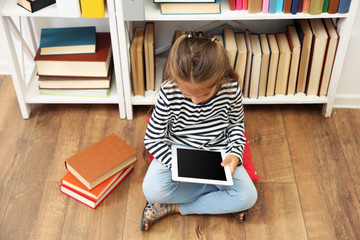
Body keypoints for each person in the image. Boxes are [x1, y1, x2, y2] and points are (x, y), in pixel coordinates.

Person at [141, 31, 258, 231]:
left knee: (248, 196)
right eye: (187, 94)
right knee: (152, 191)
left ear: (218, 79)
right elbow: (152, 139)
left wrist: (234, 154)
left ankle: (176, 208)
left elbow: (237, 126)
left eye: (204, 94)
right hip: (177, 150)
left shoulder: (230, 90)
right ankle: (218, 196)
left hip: (217, 153)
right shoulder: (168, 92)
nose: (195, 101)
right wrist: (178, 164)